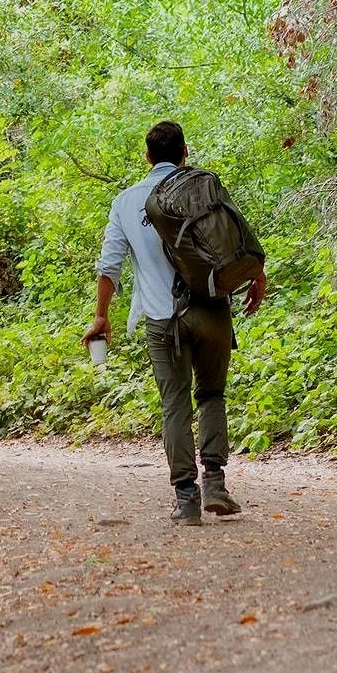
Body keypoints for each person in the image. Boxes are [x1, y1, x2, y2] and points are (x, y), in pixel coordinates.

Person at [85, 120, 267, 526]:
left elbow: (109, 267)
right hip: (211, 309)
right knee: (212, 395)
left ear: (147, 157)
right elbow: (235, 238)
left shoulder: (126, 202)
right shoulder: (202, 188)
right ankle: (216, 483)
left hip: (161, 320)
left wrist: (102, 316)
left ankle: (187, 498)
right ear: (185, 152)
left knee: (175, 405)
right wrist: (256, 277)